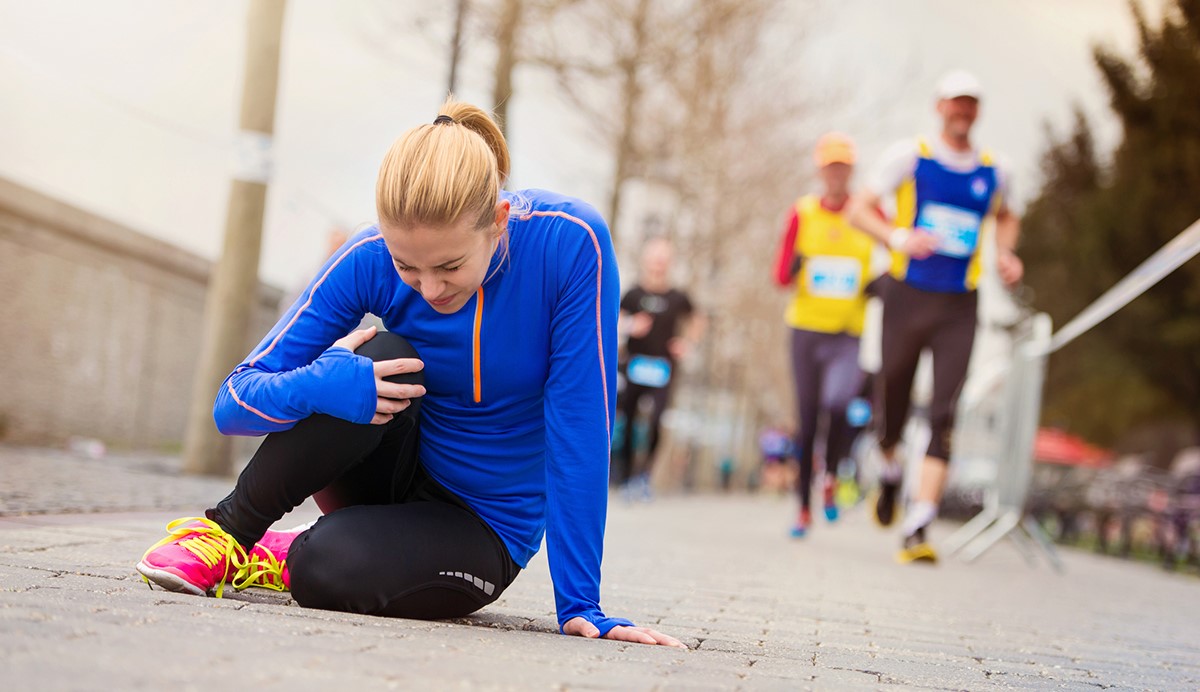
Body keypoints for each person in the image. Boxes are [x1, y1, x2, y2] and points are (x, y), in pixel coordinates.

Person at [135, 98, 684, 648]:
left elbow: (580, 426)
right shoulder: (367, 255)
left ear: (497, 220)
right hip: (387, 467)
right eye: (406, 267)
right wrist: (319, 383)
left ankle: (292, 551)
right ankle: (225, 535)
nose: (429, 289)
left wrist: (581, 602)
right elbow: (232, 402)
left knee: (321, 568)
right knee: (373, 358)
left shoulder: (569, 243)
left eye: (449, 266)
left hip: (481, 526)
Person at [846, 70, 1024, 562]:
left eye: (971, 104)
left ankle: (919, 524)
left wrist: (1005, 254)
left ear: (978, 112)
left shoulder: (995, 170)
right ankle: (889, 471)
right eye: (955, 103)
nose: (962, 111)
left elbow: (1008, 215)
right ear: (939, 106)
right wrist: (898, 238)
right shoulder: (912, 157)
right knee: (892, 408)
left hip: (959, 304)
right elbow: (859, 209)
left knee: (944, 411)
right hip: (907, 295)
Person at [773, 132, 877, 538]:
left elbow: (894, 250)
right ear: (821, 170)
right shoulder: (802, 213)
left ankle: (830, 474)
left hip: (847, 333)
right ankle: (802, 508)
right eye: (830, 166)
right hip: (805, 330)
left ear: (851, 171)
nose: (836, 173)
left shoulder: (870, 212)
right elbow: (780, 276)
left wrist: (878, 283)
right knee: (807, 416)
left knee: (838, 402)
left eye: (843, 167)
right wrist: (797, 265)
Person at [614, 237, 703, 498]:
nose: (658, 266)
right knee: (629, 420)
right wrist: (631, 326)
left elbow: (697, 319)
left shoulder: (678, 297)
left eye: (663, 261)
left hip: (663, 368)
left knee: (656, 420)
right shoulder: (632, 294)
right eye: (655, 260)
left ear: (669, 264)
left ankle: (645, 476)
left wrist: (687, 343)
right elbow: (614, 321)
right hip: (634, 365)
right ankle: (628, 476)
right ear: (646, 262)